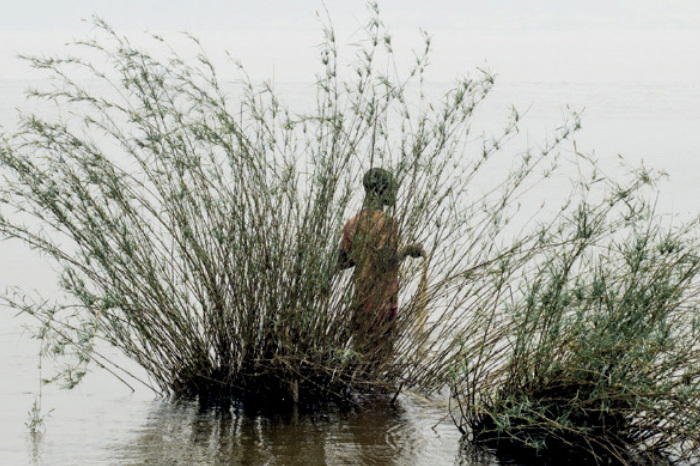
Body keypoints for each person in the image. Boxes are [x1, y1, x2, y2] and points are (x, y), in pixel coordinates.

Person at [337, 168, 424, 342]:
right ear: (380, 189)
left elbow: (342, 262)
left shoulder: (353, 222)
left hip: (361, 299)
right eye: (392, 189)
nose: (393, 195)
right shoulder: (388, 223)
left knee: (361, 348)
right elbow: (384, 262)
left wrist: (363, 253)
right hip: (383, 301)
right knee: (380, 354)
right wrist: (407, 251)